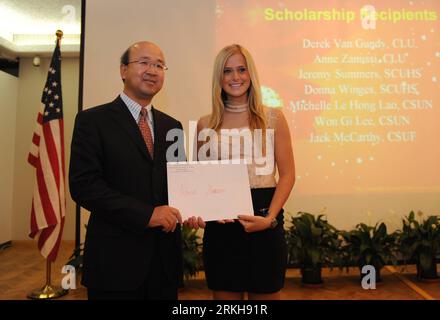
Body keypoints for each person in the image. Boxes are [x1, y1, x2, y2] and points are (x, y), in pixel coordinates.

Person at [69, 41, 186, 300]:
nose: (152, 70)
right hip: (115, 263)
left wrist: (193, 207)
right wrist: (147, 215)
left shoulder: (173, 126)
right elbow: (84, 186)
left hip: (163, 265)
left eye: (159, 65)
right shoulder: (92, 121)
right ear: (123, 70)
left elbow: (180, 182)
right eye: (144, 62)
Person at [188, 44, 295, 300]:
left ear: (250, 74)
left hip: (264, 221)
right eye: (227, 71)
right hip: (221, 230)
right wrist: (199, 211)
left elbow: (288, 174)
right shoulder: (206, 123)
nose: (235, 77)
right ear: (219, 77)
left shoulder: (273, 118)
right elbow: (199, 180)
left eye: (241, 69)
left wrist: (269, 218)